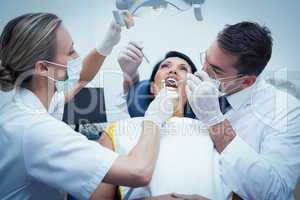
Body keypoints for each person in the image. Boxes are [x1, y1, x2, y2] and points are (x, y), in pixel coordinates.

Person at [0, 13, 174, 200]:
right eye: (70, 51)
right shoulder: (37, 129)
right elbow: (138, 171)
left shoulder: (31, 105)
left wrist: (108, 42)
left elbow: (81, 78)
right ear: (43, 68)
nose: (77, 56)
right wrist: (154, 118)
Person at [118, 22, 300, 199]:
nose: (202, 71)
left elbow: (278, 194)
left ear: (246, 81)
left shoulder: (285, 111)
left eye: (215, 70)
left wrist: (214, 120)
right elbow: (134, 104)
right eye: (205, 59)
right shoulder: (127, 129)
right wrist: (130, 76)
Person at [99, 51, 220, 200]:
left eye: (183, 68)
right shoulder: (117, 130)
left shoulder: (215, 134)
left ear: (193, 88)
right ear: (151, 88)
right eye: (165, 66)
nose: (173, 70)